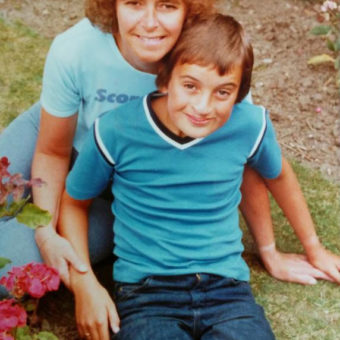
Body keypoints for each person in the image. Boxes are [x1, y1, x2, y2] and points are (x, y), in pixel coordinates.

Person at [0, 0, 337, 293]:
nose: (150, 22)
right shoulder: (75, 50)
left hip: (119, 185)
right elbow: (52, 151)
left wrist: (272, 251)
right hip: (62, 137)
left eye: (167, 5)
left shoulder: (205, 59)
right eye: (133, 3)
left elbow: (240, 156)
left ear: (188, 8)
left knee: (8, 271)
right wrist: (45, 231)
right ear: (112, 5)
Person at [59, 13, 339, 340]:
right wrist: (85, 281)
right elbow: (74, 203)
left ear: (239, 94)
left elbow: (279, 177)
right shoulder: (115, 130)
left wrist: (313, 246)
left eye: (223, 92)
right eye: (190, 86)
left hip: (228, 291)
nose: (203, 106)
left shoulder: (248, 125)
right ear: (165, 80)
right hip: (147, 293)